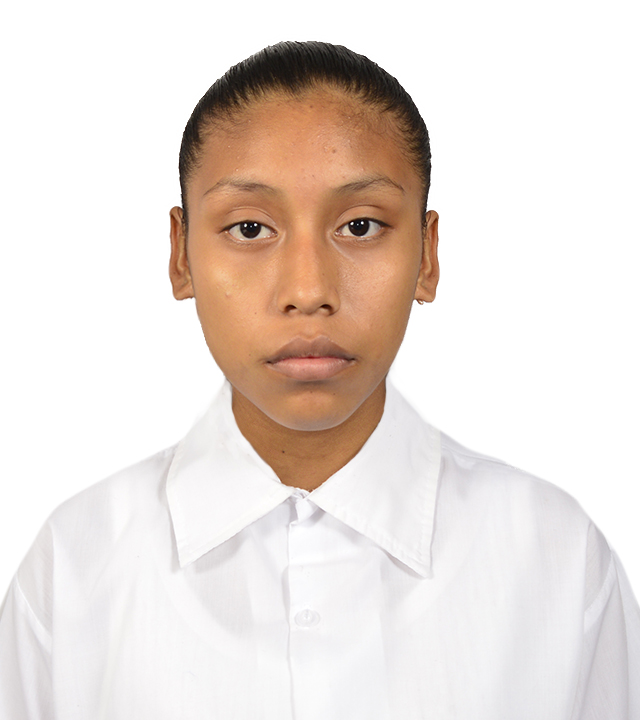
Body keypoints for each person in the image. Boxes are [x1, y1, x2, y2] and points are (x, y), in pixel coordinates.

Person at [0, 40, 638, 719]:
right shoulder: (72, 571)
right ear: (180, 255)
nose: (308, 291)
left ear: (427, 256)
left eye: (360, 226)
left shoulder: (558, 561)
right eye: (250, 229)